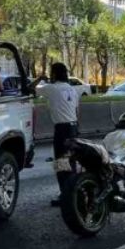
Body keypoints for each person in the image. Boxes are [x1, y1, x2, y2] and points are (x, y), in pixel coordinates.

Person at [35, 63, 81, 206]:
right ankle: (75, 192)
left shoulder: (51, 88)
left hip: (62, 130)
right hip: (73, 127)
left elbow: (30, 89)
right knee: (71, 162)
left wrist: (40, 79)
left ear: (54, 74)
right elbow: (76, 110)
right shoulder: (72, 90)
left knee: (61, 164)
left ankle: (65, 196)